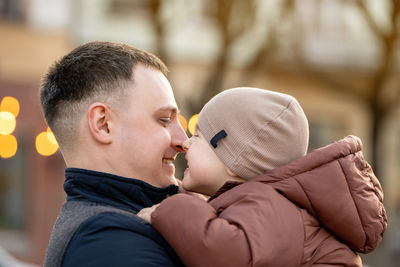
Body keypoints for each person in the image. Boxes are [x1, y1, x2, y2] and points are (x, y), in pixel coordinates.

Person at [138, 87, 387, 267]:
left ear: (235, 161)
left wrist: (169, 210)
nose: (186, 144)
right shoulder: (263, 203)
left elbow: (226, 254)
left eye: (198, 136)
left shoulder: (270, 205)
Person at [40, 41, 188, 267]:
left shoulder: (107, 229)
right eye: (164, 120)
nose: (183, 142)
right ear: (103, 124)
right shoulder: (107, 241)